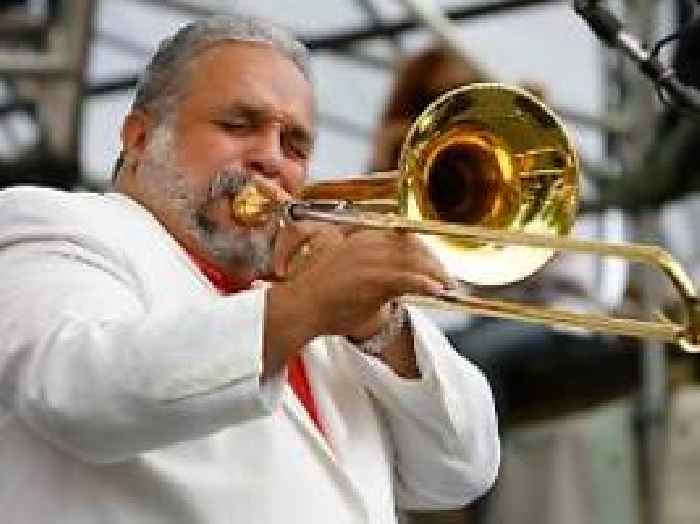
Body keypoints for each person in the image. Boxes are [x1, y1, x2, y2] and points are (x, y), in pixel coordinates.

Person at [0, 15, 499, 524]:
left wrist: (380, 328)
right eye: (238, 125)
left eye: (295, 145)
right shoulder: (49, 223)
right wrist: (308, 305)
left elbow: (461, 470)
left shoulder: (320, 300)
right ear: (140, 137)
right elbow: (82, 394)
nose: (270, 160)